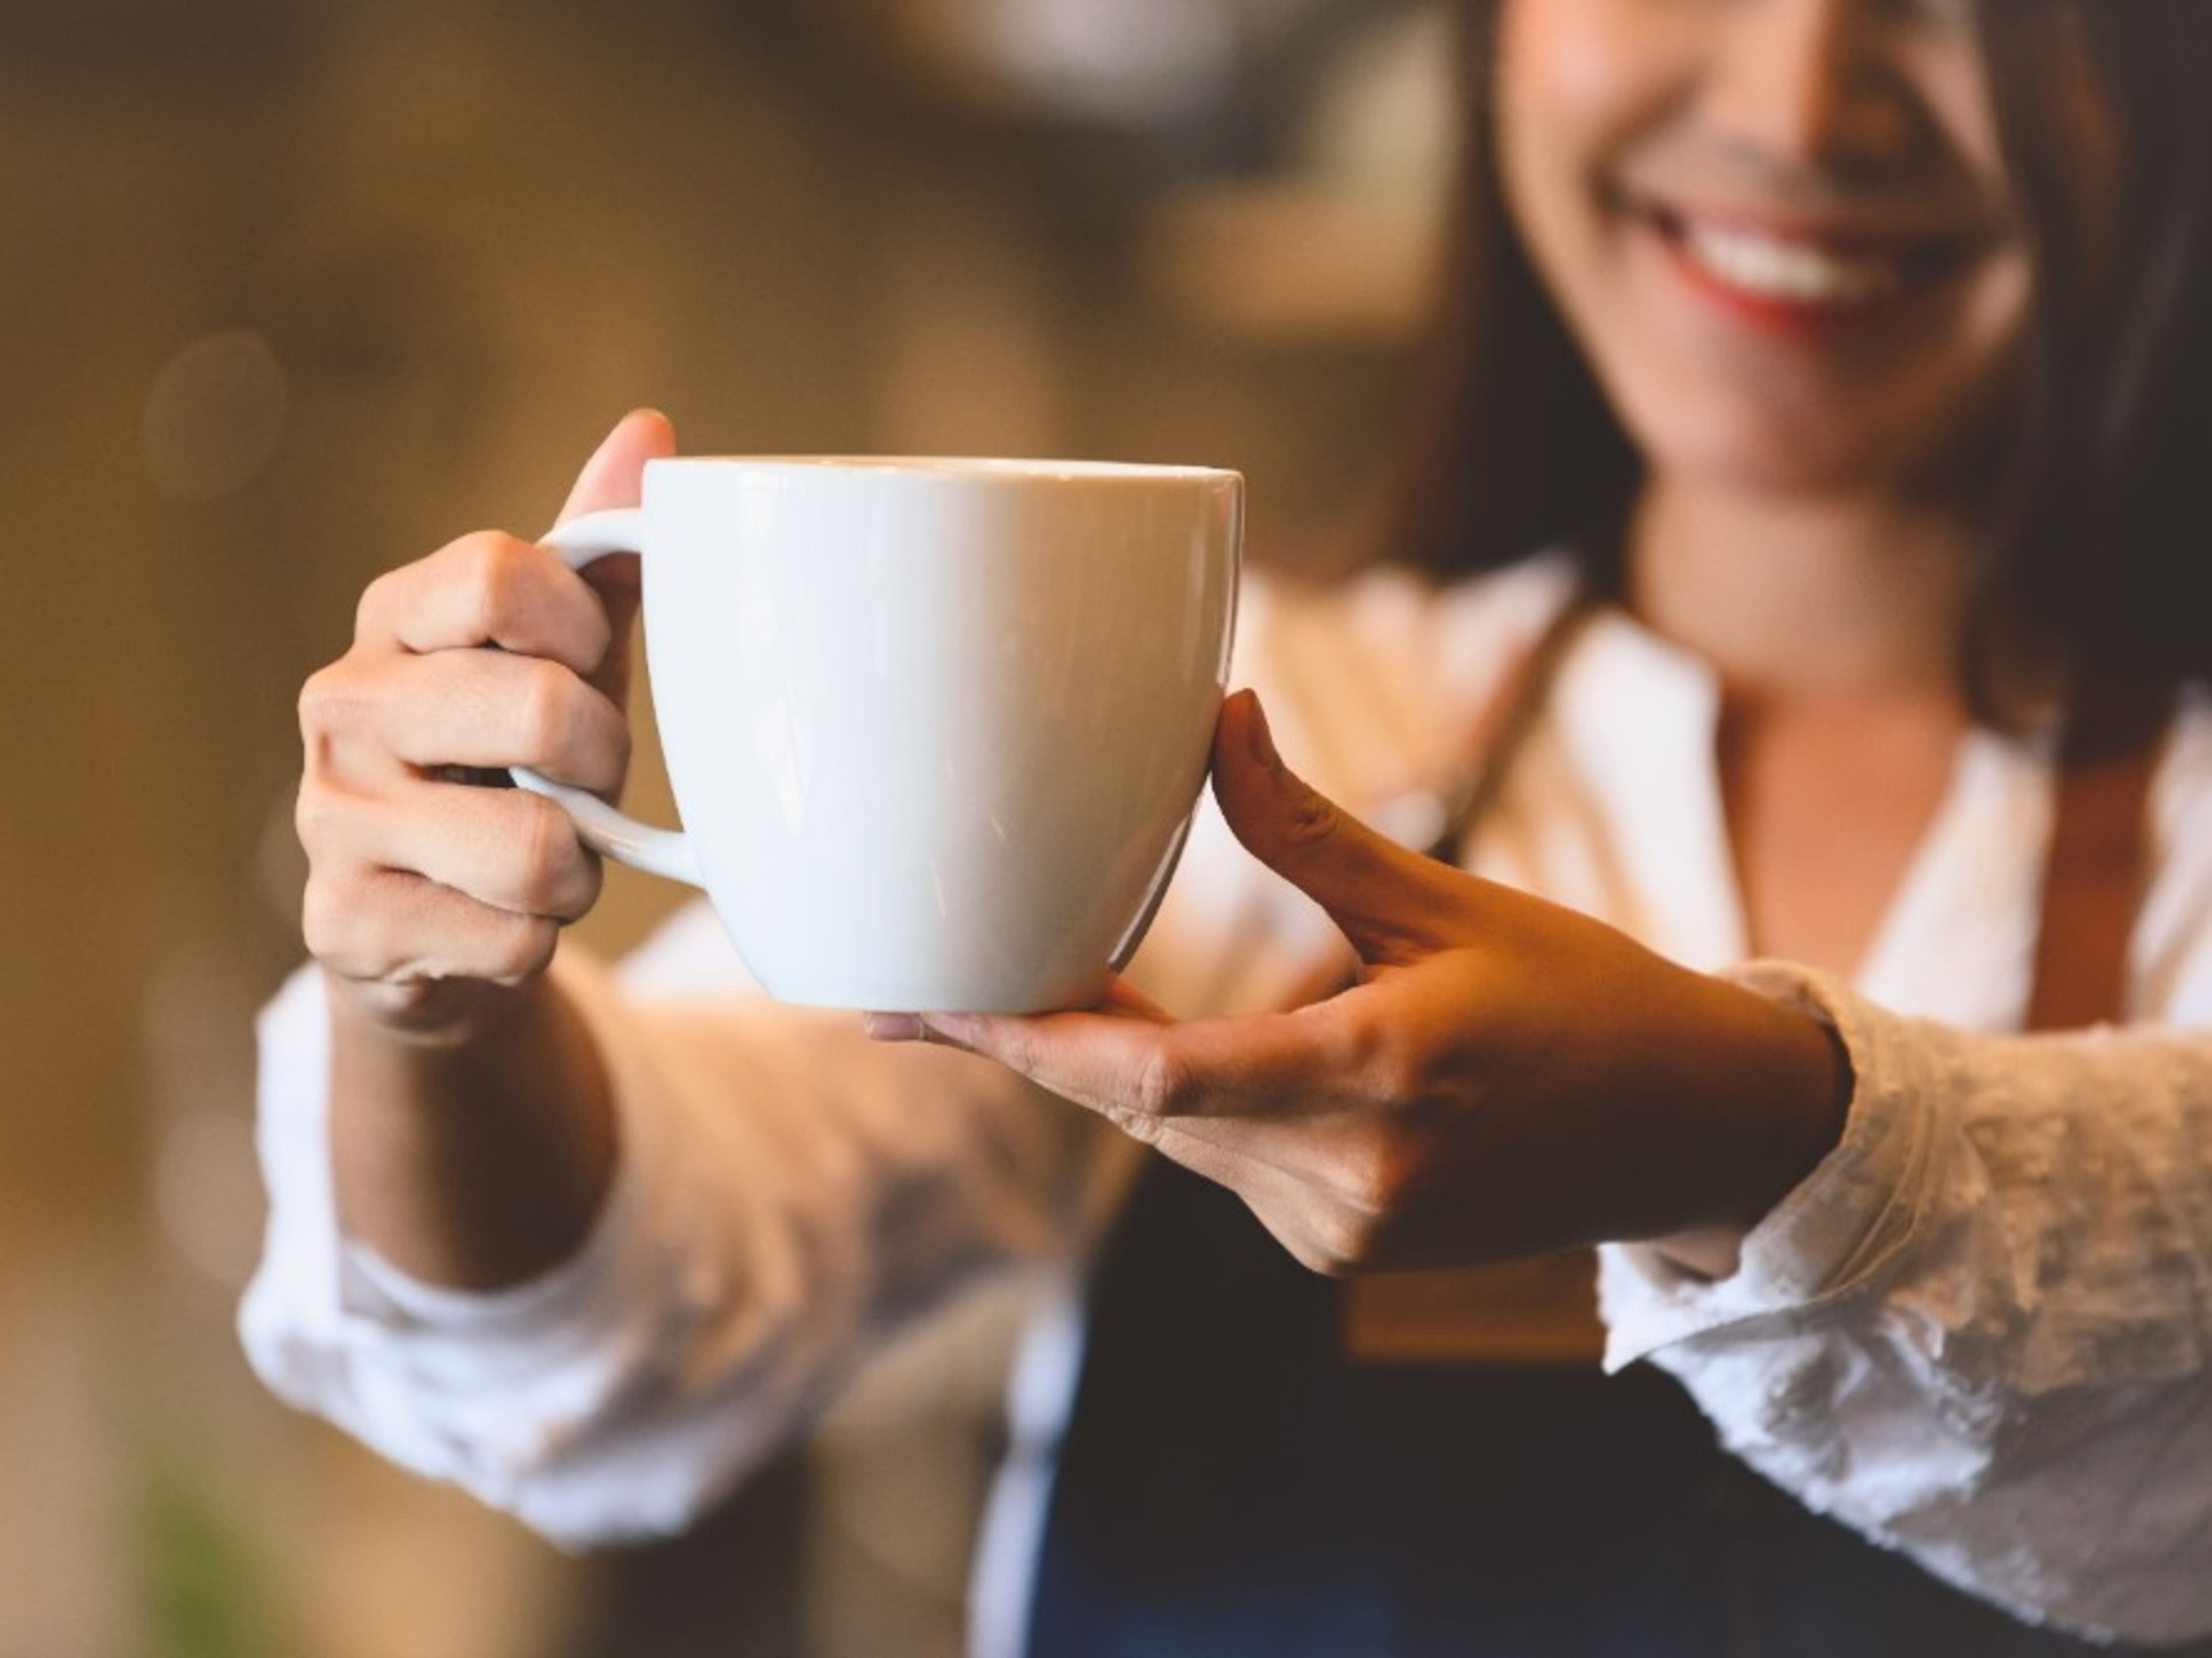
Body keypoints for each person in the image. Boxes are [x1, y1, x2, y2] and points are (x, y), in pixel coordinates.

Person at [247, 0, 2212, 1652]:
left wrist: (1761, 1137)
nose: (1797, 106)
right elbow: (635, 1278)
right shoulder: (1235, 727)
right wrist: (436, 1019)